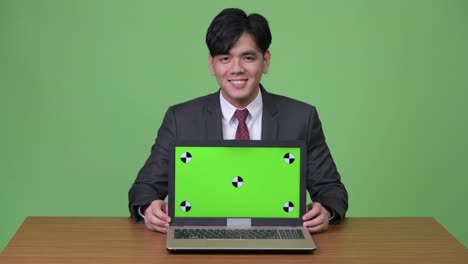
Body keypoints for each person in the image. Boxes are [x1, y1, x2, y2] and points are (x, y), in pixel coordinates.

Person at [128, 8, 348, 234]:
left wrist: (325, 210)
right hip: (201, 240)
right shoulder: (180, 119)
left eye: (248, 57)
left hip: (279, 240)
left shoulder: (302, 117)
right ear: (212, 64)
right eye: (225, 58)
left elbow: (331, 190)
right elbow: (144, 189)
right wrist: (149, 208)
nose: (237, 69)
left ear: (265, 61)